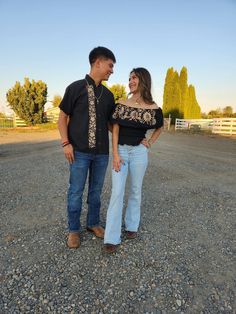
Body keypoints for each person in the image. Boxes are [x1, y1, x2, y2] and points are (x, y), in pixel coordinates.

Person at [58, 46, 116, 249]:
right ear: (98, 62)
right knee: (75, 191)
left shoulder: (108, 96)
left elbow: (111, 125)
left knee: (96, 191)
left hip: (101, 154)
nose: (112, 70)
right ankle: (73, 230)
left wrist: (133, 139)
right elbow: (62, 117)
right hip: (79, 152)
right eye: (110, 65)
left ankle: (93, 223)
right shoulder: (75, 88)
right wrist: (66, 143)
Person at [103, 67, 163, 253]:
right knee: (117, 192)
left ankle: (131, 226)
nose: (130, 81)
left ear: (143, 80)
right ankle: (111, 237)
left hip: (139, 153)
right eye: (129, 78)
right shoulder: (122, 104)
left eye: (134, 78)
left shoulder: (153, 108)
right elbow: (115, 128)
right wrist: (115, 155)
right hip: (121, 151)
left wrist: (150, 142)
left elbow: (160, 126)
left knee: (136, 190)